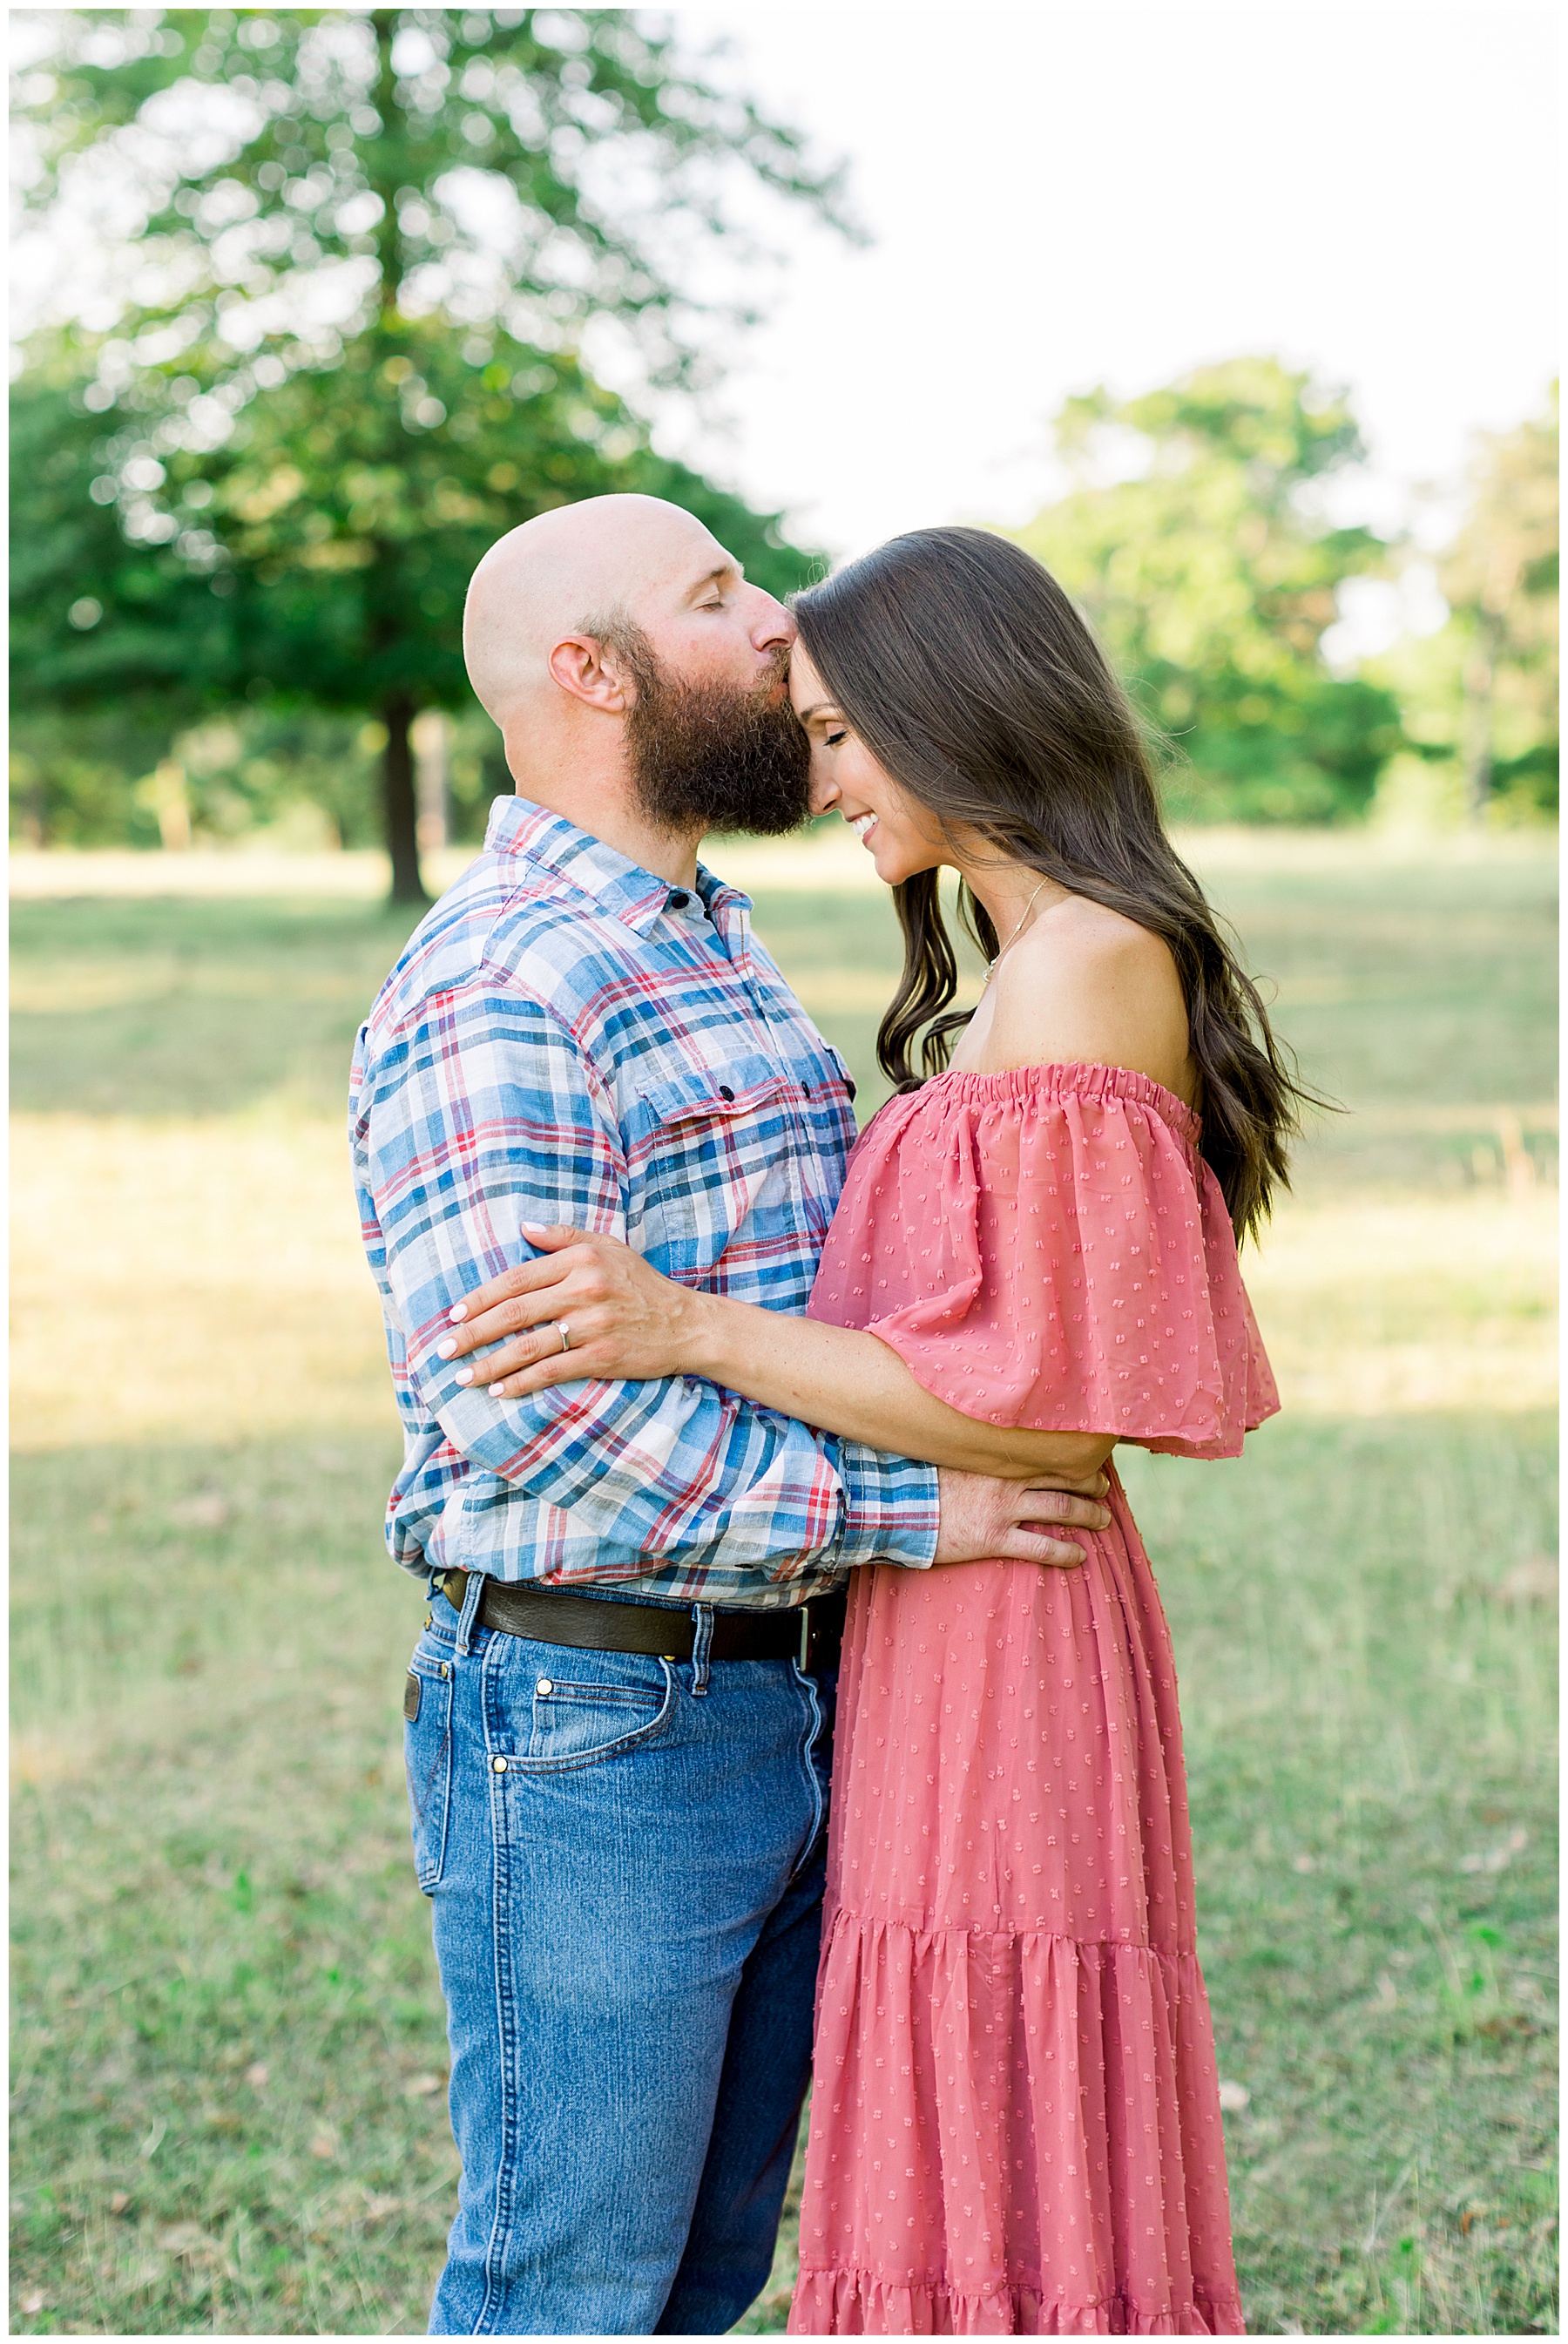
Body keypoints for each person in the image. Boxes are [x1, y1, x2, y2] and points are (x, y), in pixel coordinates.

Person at [439, 526, 1302, 2334]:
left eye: (841, 733)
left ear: (952, 714)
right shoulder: (984, 966)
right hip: (896, 1609)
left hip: (996, 1608)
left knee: (984, 2084)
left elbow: (1049, 1420)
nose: (819, 767)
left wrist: (682, 1324)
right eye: (810, 724)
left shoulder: (1075, 968)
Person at [349, 497, 1114, 2337]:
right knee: (576, 2285)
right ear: (590, 673)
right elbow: (551, 1424)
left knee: (702, 2273)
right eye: (716, 598)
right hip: (605, 1717)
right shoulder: (507, 980)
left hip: (790, 1689)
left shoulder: (702, 936)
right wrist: (912, 1514)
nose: (778, 622)